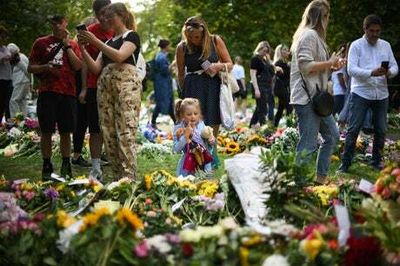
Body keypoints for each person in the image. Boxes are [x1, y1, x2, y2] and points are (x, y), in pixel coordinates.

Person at [78, 2, 142, 180]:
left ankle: (129, 178)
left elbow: (120, 56)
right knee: (109, 132)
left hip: (126, 87)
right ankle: (117, 177)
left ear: (121, 16)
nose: (105, 19)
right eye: (104, 16)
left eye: (109, 16)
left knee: (125, 131)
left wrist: (95, 41)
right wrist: (83, 48)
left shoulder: (131, 36)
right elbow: (96, 68)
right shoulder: (107, 42)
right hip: (106, 88)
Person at [290, 0, 344, 183]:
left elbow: (316, 69)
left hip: (317, 99)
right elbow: (306, 67)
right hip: (306, 99)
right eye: (327, 16)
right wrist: (329, 62)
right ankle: (298, 187)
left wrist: (332, 66)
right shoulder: (309, 35)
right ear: (321, 18)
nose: (328, 20)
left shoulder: (316, 38)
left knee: (332, 136)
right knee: (308, 144)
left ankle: (319, 180)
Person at [339, 14, 398, 172]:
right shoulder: (356, 45)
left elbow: (394, 67)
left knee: (381, 129)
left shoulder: (385, 45)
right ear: (365, 29)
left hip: (382, 93)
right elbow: (351, 69)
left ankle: (376, 162)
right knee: (354, 127)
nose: (375, 34)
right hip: (361, 92)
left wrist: (388, 73)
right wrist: (371, 72)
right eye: (372, 31)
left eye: (378, 31)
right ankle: (345, 163)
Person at [28, 15, 82, 179]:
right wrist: (46, 67)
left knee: (66, 131)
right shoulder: (41, 42)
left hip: (68, 93)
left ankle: (66, 164)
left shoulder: (72, 44)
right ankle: (47, 164)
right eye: (55, 23)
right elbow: (31, 68)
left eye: (61, 22)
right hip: (47, 91)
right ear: (51, 25)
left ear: (66, 23)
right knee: (46, 130)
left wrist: (67, 46)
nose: (58, 25)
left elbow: (78, 66)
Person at [176, 16, 233, 169]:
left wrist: (217, 66)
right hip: (192, 87)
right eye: (191, 36)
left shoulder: (215, 40)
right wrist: (182, 94)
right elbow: (180, 73)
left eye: (198, 36)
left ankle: (212, 157)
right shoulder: (182, 47)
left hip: (212, 85)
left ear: (204, 32)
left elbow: (229, 63)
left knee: (213, 121)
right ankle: (195, 158)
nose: (195, 40)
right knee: (194, 123)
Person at [72, 0, 114, 180]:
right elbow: (85, 64)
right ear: (96, 15)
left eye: (108, 12)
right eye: (101, 13)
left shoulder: (118, 29)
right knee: (96, 128)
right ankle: (95, 167)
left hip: (115, 86)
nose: (105, 16)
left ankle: (115, 161)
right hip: (93, 85)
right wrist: (83, 88)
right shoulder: (91, 32)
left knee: (110, 128)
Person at [173, 98, 214, 177]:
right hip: (188, 163)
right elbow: (176, 149)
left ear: (199, 114)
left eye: (196, 113)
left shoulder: (201, 125)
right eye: (189, 114)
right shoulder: (178, 128)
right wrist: (185, 137)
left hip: (203, 162)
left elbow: (207, 146)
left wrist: (211, 141)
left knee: (205, 185)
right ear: (182, 115)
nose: (193, 117)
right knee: (189, 184)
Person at [249, 41, 275, 127]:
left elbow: (272, 73)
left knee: (260, 108)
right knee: (263, 109)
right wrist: (256, 89)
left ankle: (251, 125)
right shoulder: (255, 59)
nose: (265, 53)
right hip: (259, 86)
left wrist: (270, 61)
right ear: (259, 49)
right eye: (264, 51)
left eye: (267, 51)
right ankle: (263, 128)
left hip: (266, 86)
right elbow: (252, 75)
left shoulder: (265, 61)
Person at [151, 39, 176, 128]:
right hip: (162, 84)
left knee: (168, 103)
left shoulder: (161, 56)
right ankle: (153, 122)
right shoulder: (161, 57)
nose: (170, 47)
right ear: (166, 46)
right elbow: (165, 70)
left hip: (164, 83)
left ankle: (176, 122)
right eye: (169, 45)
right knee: (161, 102)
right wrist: (173, 64)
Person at [7, 43, 30, 118]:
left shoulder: (19, 59)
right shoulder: (23, 57)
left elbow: (27, 70)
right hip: (24, 82)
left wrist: (29, 82)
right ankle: (24, 121)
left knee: (13, 101)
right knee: (22, 102)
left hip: (21, 82)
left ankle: (16, 120)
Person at [273, 44, 293, 127]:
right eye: (284, 49)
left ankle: (274, 126)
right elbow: (280, 76)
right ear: (280, 51)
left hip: (284, 88)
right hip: (280, 88)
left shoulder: (287, 63)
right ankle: (290, 127)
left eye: (287, 50)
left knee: (281, 109)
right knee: (289, 107)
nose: (286, 51)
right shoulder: (278, 63)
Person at [0, 25, 12, 123]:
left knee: (4, 103)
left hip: (7, 79)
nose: (4, 39)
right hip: (0, 79)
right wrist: (3, 58)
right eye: (2, 37)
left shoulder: (5, 48)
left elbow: (10, 58)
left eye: (5, 37)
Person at [332, 44, 348, 116]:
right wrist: (346, 89)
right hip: (340, 92)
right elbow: (340, 78)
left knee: (336, 113)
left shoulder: (336, 61)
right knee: (337, 113)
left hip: (336, 91)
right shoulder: (340, 61)